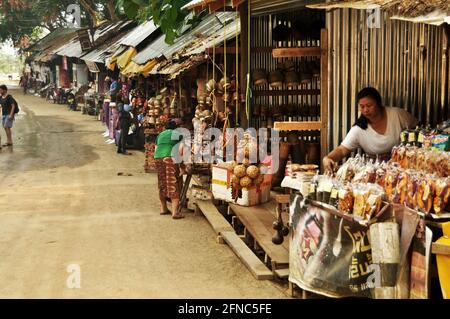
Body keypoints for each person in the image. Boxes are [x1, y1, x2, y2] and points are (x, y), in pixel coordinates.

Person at [323, 87, 418, 173]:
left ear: (378, 103)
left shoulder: (397, 115)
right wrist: (328, 158)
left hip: (404, 170)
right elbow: (342, 149)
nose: (365, 110)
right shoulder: (359, 129)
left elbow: (419, 130)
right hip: (376, 173)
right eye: (362, 106)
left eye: (369, 106)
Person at [154, 119, 184, 219]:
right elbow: (181, 150)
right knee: (172, 182)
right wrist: (182, 166)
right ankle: (175, 212)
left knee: (162, 183)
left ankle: (163, 209)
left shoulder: (160, 134)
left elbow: (156, 148)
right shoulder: (177, 134)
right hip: (169, 158)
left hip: (158, 158)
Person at [0, 84, 18, 149]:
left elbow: (13, 106)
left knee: (7, 127)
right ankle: (9, 141)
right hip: (4, 114)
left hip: (9, 114)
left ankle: (9, 141)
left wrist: (11, 114)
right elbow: (1, 105)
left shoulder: (9, 97)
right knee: (5, 127)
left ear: (4, 90)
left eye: (1, 90)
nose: (0, 91)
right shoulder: (1, 97)